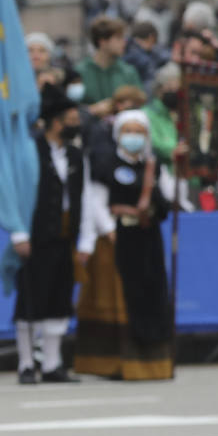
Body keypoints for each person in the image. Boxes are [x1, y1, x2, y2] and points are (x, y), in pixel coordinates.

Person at [74, 110, 175, 380]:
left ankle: (152, 363)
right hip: (117, 238)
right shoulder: (105, 163)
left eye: (139, 132)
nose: (134, 137)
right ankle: (111, 363)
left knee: (150, 294)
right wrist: (108, 229)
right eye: (128, 131)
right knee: (120, 296)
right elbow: (96, 200)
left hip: (147, 237)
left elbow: (168, 199)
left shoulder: (155, 167)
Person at [14, 84, 87, 384]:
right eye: (71, 118)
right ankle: (27, 363)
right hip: (34, 234)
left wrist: (84, 238)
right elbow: (17, 194)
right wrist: (19, 233)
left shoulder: (75, 154)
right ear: (56, 121)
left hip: (65, 234)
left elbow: (84, 195)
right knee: (31, 297)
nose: (75, 123)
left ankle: (54, 363)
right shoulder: (31, 151)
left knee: (59, 297)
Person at [77, 16, 143, 118]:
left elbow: (140, 104)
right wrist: (92, 110)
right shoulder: (80, 72)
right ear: (103, 41)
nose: (124, 42)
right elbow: (71, 109)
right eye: (118, 38)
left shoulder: (129, 72)